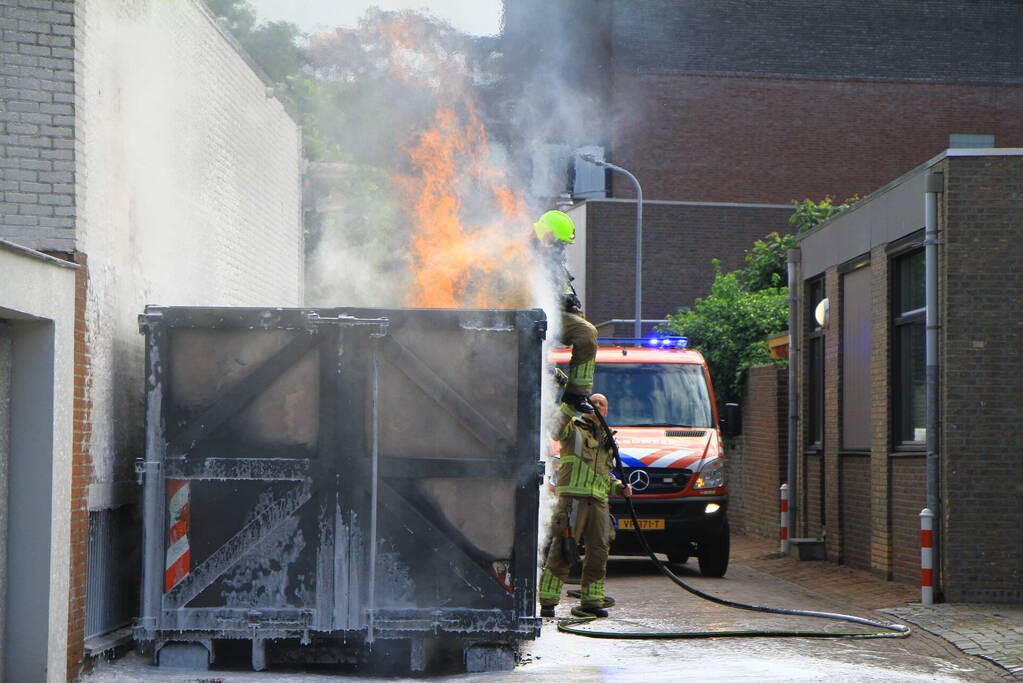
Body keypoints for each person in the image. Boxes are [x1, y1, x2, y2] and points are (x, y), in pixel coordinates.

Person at [539, 393, 632, 618]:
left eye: (602, 403)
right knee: (563, 550)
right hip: (572, 501)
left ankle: (592, 601)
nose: (597, 405)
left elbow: (604, 475)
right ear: (586, 407)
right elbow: (555, 430)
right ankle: (548, 602)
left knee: (599, 551)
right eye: (594, 401)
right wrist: (570, 406)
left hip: (599, 502)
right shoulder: (573, 428)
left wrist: (619, 488)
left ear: (606, 411)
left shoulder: (608, 439)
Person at [533, 210, 598, 414]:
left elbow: (563, 288)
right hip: (525, 313)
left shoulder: (553, 259)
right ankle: (544, 369)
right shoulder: (520, 253)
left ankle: (576, 394)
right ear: (547, 236)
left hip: (551, 314)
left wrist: (569, 300)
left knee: (586, 333)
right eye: (560, 243)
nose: (562, 249)